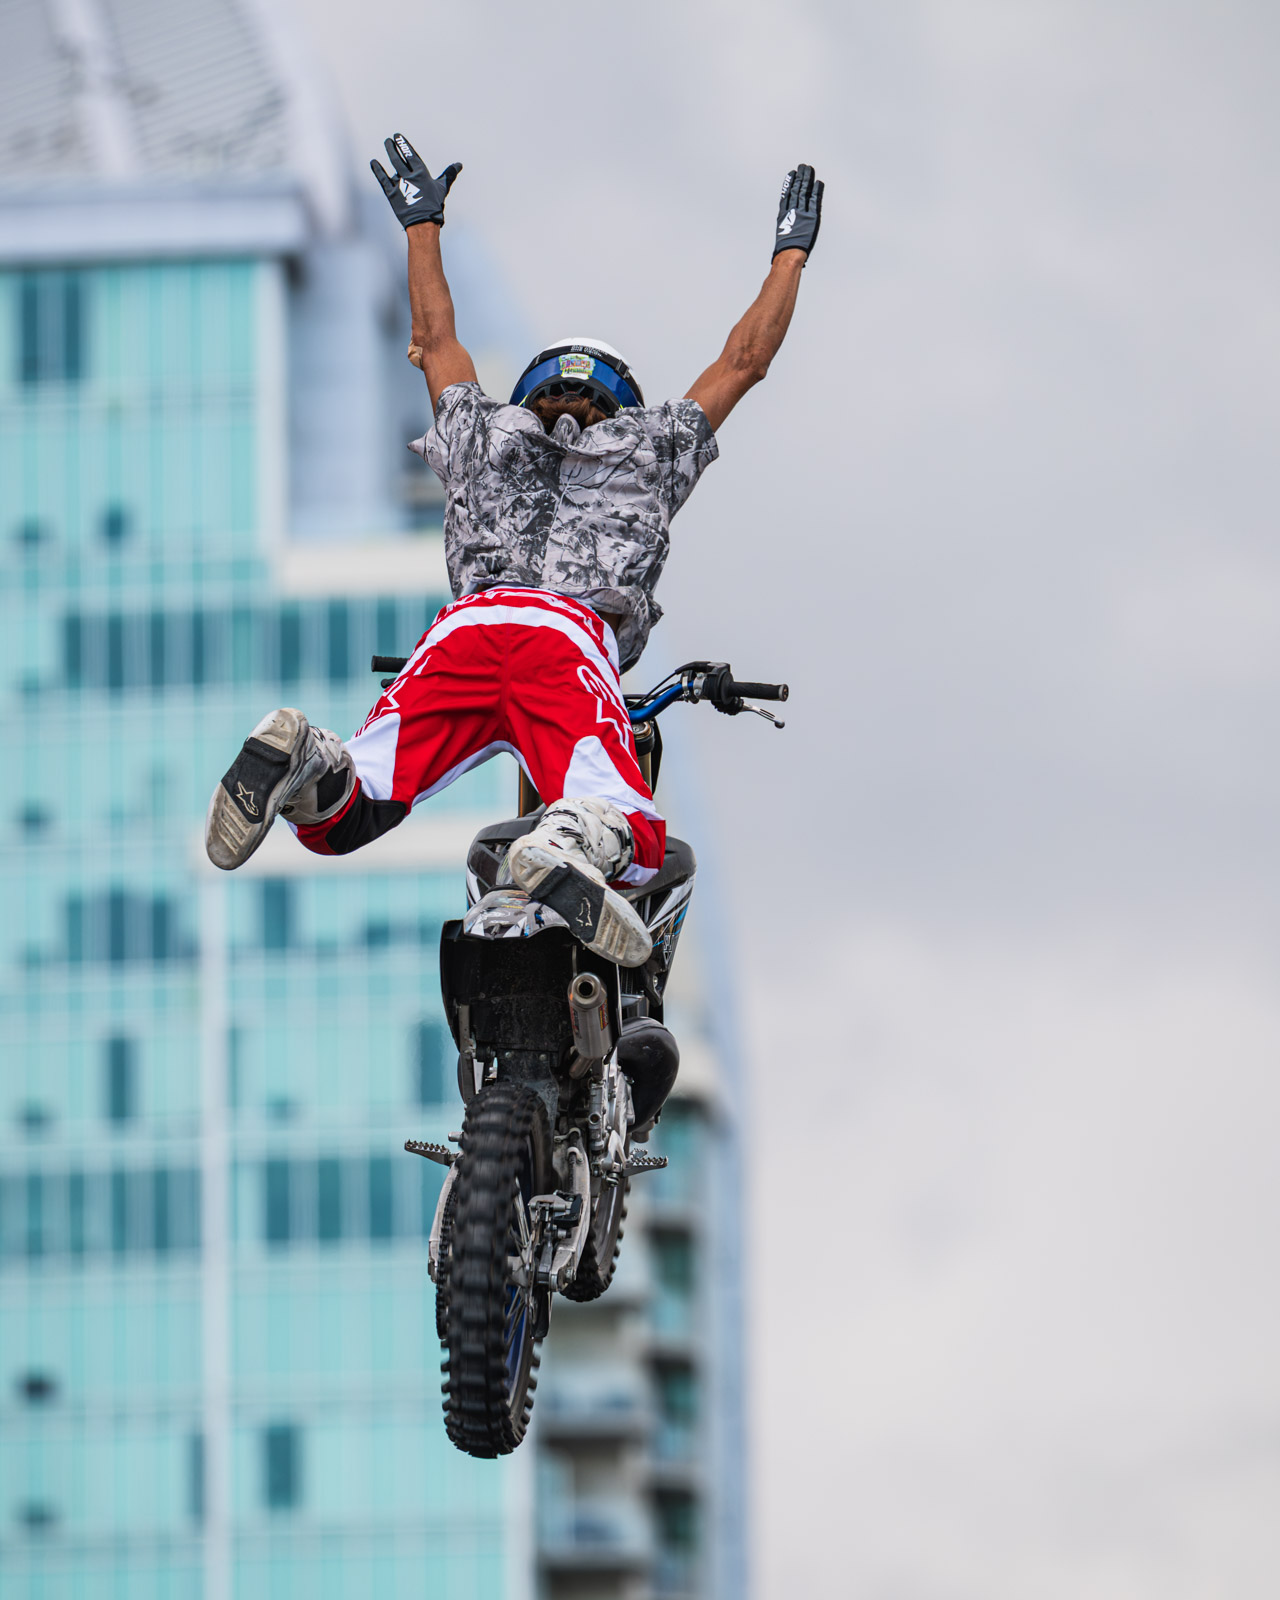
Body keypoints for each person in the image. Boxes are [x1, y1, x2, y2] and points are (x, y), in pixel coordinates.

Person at [204, 133, 823, 968]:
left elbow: (434, 336)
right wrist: (789, 255)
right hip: (562, 642)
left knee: (350, 807)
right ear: (625, 403)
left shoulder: (480, 431)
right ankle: (564, 841)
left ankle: (302, 752)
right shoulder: (653, 447)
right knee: (634, 830)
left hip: (462, 633)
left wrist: (421, 227)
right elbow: (744, 361)